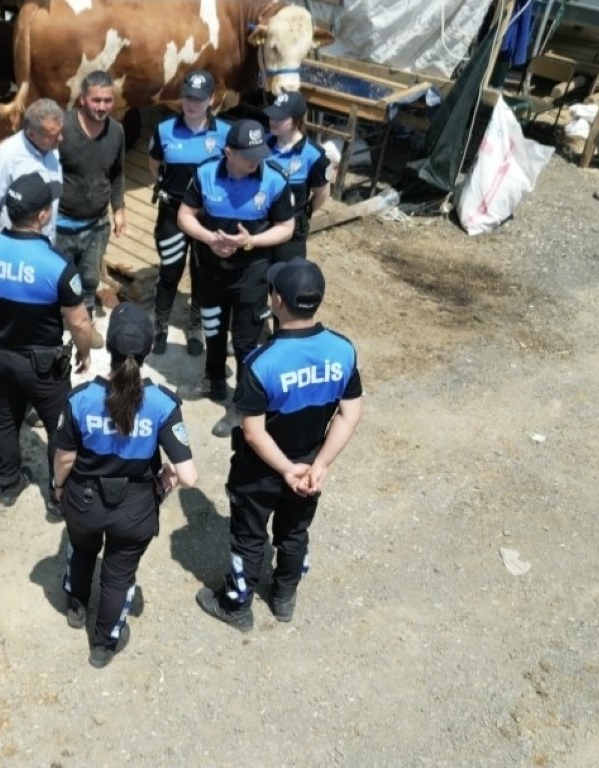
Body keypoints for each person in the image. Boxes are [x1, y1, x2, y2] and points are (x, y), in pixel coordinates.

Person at [196, 259, 362, 629]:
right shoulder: (343, 350)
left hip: (261, 469)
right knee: (294, 531)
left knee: (249, 535)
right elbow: (350, 414)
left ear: (278, 301)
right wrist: (319, 465)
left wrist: (286, 469)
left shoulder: (261, 363)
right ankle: (285, 596)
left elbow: (253, 432)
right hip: (309, 465)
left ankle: (237, 605)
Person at [52, 303, 199, 668]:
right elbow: (189, 475)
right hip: (135, 509)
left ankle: (76, 605)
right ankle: (103, 645)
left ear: (109, 347)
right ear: (148, 351)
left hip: (84, 501)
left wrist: (59, 488)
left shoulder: (81, 399)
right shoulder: (162, 403)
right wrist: (167, 481)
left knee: (81, 549)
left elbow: (65, 459)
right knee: (119, 576)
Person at [0, 173, 95, 507]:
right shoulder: (57, 266)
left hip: (2, 353)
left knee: (8, 415)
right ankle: (58, 496)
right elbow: (79, 322)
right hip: (44, 364)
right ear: (42, 215)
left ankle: (8, 482)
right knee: (59, 427)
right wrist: (84, 353)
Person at [176, 118, 294, 436]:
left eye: (259, 152)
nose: (256, 160)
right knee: (213, 330)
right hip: (211, 270)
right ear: (228, 152)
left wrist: (250, 241)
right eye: (248, 154)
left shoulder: (274, 179)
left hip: (252, 273)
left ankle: (243, 405)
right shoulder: (204, 174)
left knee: (245, 342)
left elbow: (286, 228)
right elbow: (184, 215)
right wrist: (208, 238)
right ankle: (213, 381)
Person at [147, 69, 230, 357]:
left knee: (203, 273)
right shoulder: (164, 129)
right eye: (188, 97)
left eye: (199, 98)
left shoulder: (225, 133)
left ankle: (195, 326)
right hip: (172, 212)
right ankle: (160, 323)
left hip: (208, 216)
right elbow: (155, 165)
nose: (192, 104)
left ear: (212, 99)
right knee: (170, 269)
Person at [56, 70, 127, 344]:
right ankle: (55, 326)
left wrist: (119, 209)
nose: (102, 107)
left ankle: (85, 325)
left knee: (89, 278)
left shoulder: (117, 132)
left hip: (97, 224)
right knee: (59, 278)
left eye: (108, 100)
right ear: (82, 99)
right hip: (61, 223)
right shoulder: (62, 128)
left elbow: (118, 173)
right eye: (96, 100)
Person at [261, 91, 331, 260]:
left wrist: (303, 214)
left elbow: (322, 193)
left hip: (290, 235)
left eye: (280, 118)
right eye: (272, 115)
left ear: (297, 120)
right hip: (259, 226)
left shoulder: (314, 155)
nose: (273, 121)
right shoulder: (261, 143)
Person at [0, 98, 65, 238]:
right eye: (53, 135)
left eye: (61, 132)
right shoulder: (5, 157)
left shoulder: (52, 150)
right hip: (11, 244)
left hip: (44, 243)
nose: (61, 138)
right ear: (32, 135)